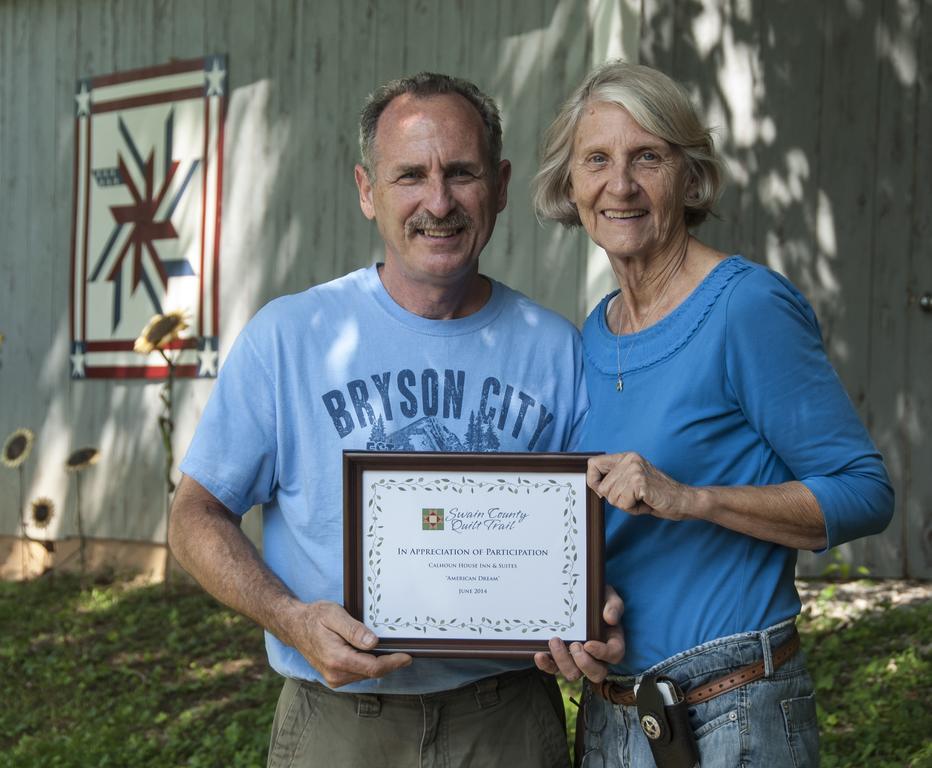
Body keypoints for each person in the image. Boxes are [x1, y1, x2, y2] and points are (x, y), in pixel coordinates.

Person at [169, 71, 622, 768]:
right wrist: (291, 618)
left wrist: (592, 613)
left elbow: (590, 540)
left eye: (462, 173)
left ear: (499, 186)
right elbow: (195, 515)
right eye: (409, 175)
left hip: (504, 721)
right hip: (339, 724)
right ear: (365, 190)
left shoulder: (556, 349)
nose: (437, 202)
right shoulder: (291, 337)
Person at [532, 60, 894, 767]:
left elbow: (864, 491)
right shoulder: (592, 335)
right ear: (568, 185)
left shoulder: (745, 307)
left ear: (689, 177)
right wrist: (565, 612)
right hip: (613, 717)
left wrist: (692, 498)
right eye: (597, 160)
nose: (621, 185)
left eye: (649, 158)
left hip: (731, 715)